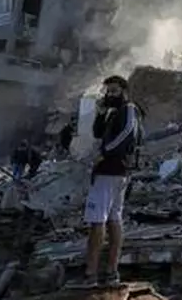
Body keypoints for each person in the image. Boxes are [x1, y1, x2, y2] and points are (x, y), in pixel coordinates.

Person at [75, 75, 142, 289]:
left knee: (98, 222)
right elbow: (97, 132)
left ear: (124, 91)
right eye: (108, 91)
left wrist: (105, 153)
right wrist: (101, 113)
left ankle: (92, 272)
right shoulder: (113, 111)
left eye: (114, 91)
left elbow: (127, 134)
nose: (110, 95)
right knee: (113, 219)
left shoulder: (129, 108)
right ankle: (109, 272)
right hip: (111, 171)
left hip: (111, 171)